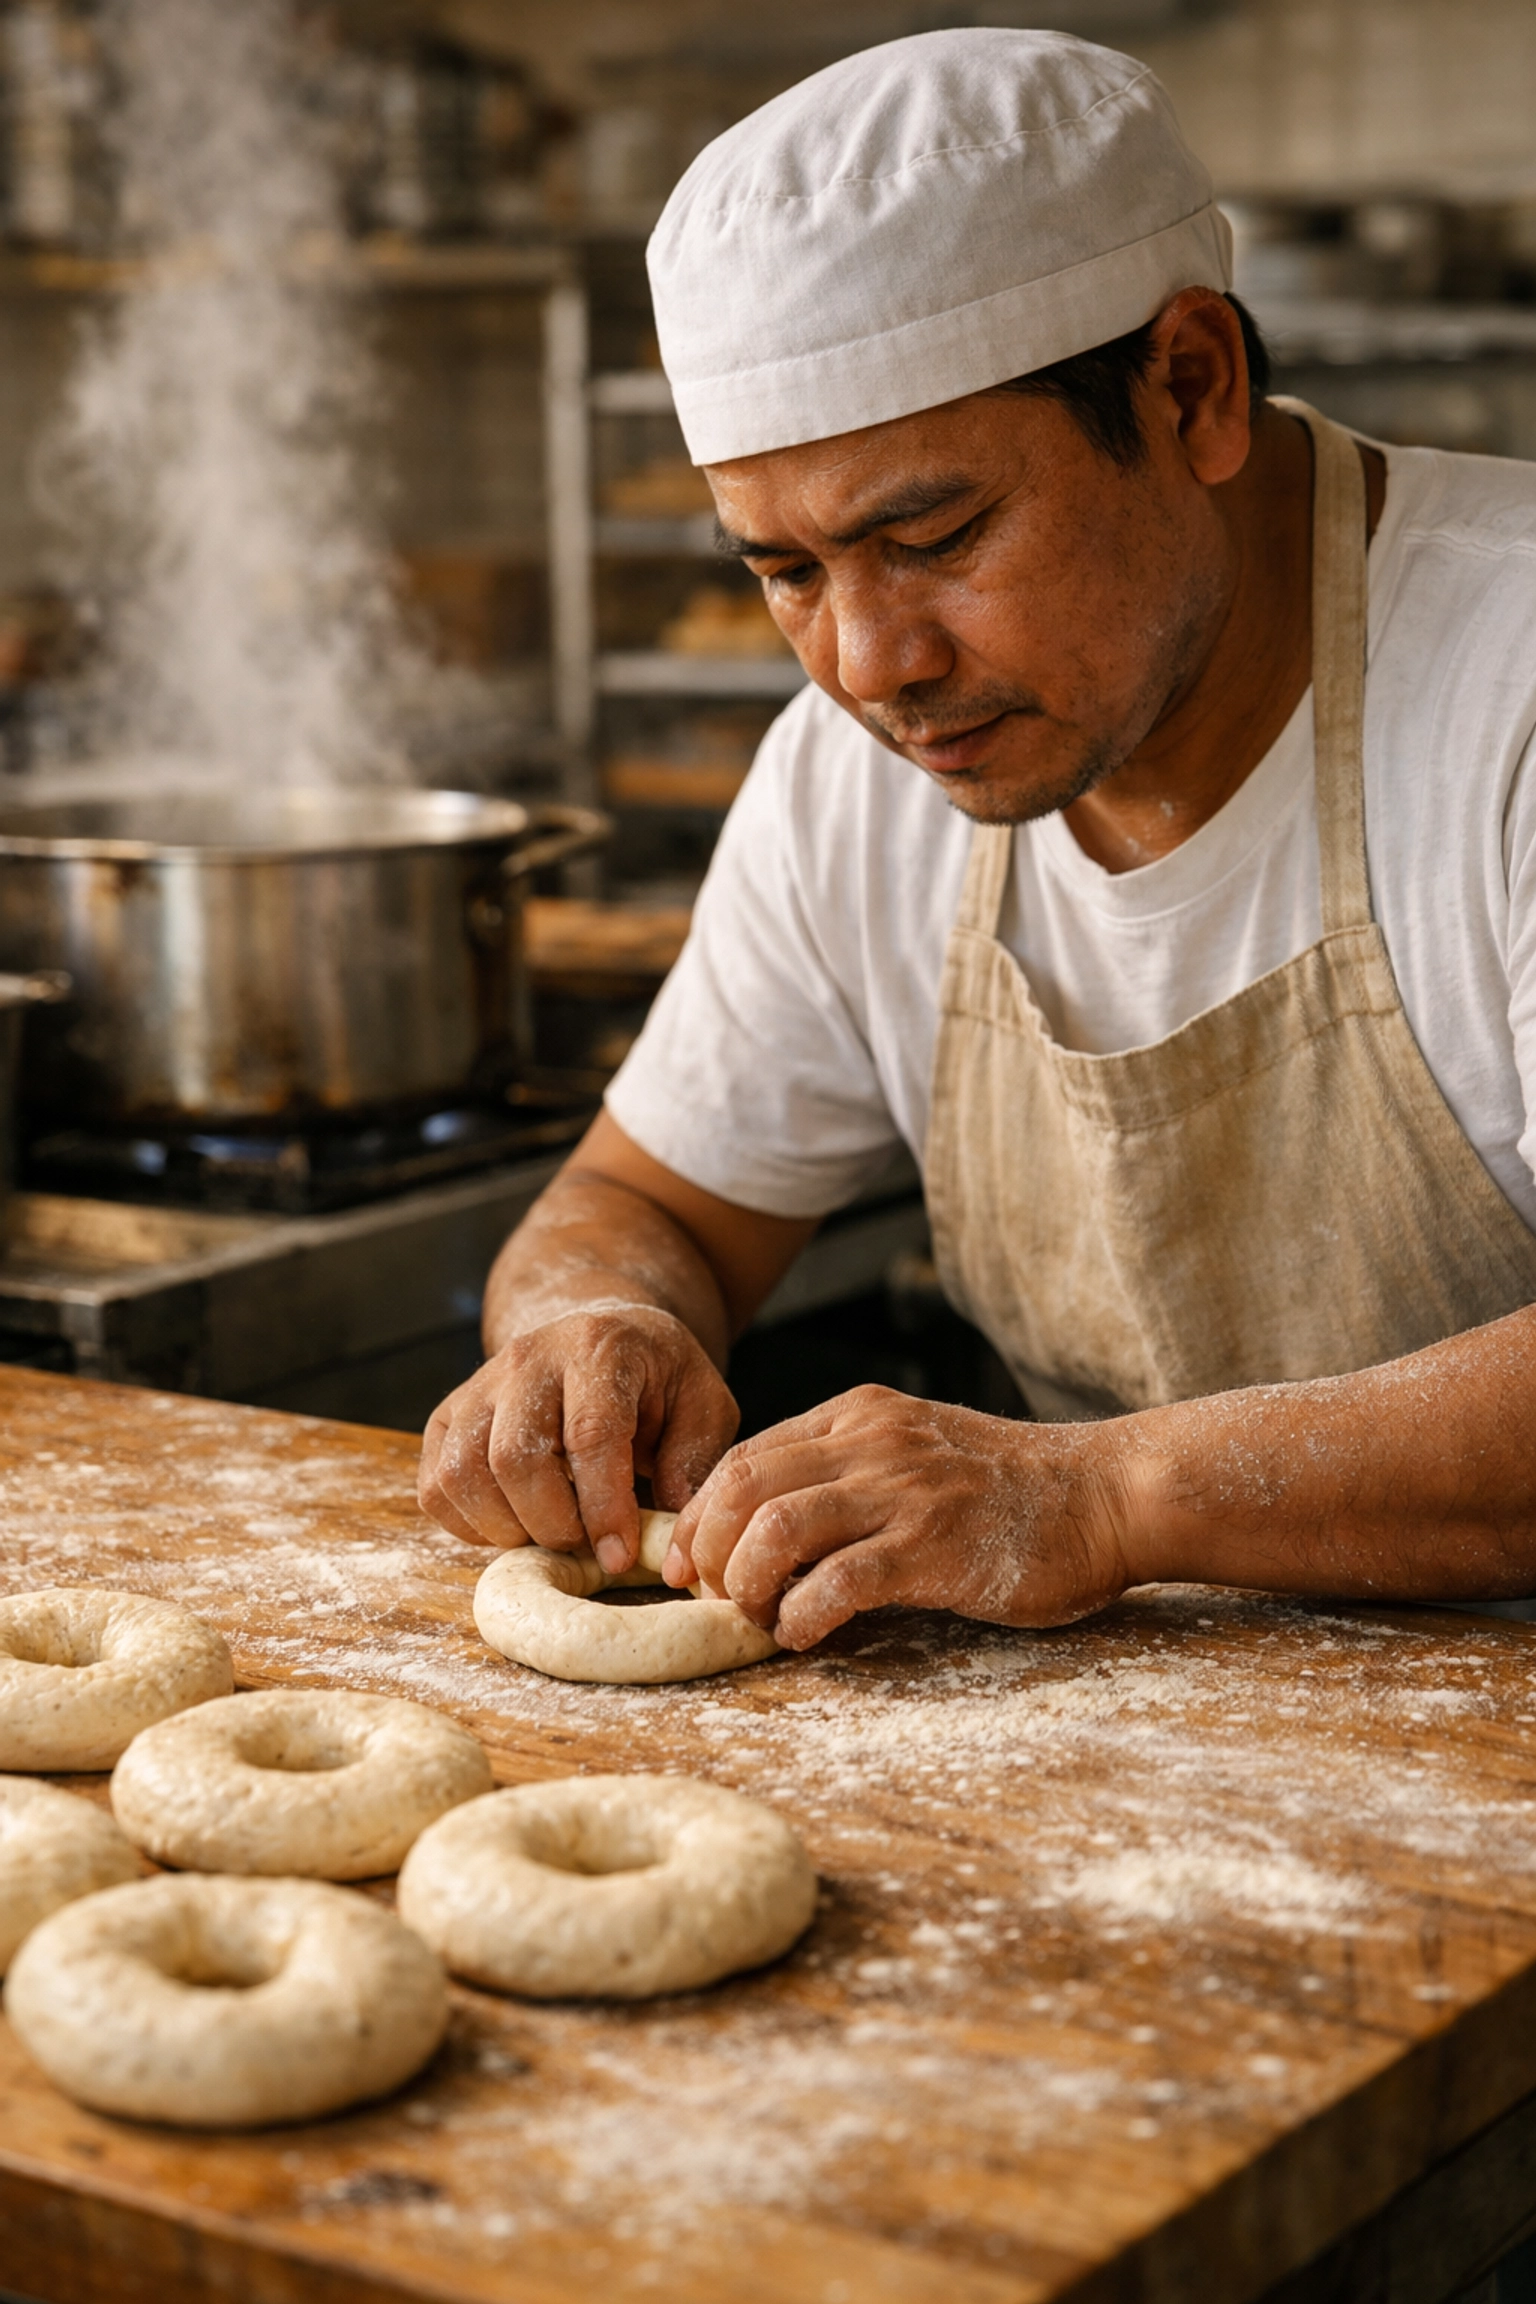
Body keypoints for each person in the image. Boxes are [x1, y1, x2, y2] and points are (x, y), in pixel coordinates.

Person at [420, 28, 1536, 1651]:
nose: (871, 666)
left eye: (933, 536)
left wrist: (1102, 1497)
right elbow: (640, 1202)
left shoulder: (1508, 690)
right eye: (785, 575)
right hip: (1156, 1764)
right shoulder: (855, 776)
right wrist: (592, 1325)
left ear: (1192, 388)